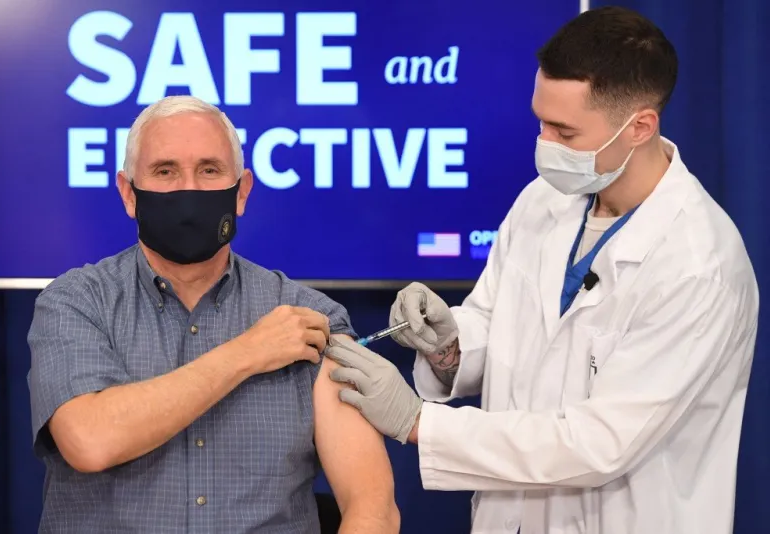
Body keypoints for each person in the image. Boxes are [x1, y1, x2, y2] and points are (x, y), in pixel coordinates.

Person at [325, 6, 758, 534]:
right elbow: (504, 329)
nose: (544, 146)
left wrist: (419, 423)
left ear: (640, 126)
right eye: (540, 121)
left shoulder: (698, 264)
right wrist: (450, 345)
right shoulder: (544, 202)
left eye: (565, 132)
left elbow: (599, 445)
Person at [27, 95, 399, 534]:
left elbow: (371, 507)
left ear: (241, 191)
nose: (189, 190)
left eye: (209, 170)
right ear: (129, 193)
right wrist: (248, 352)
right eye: (165, 172)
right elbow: (89, 440)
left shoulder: (308, 318)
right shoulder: (75, 302)